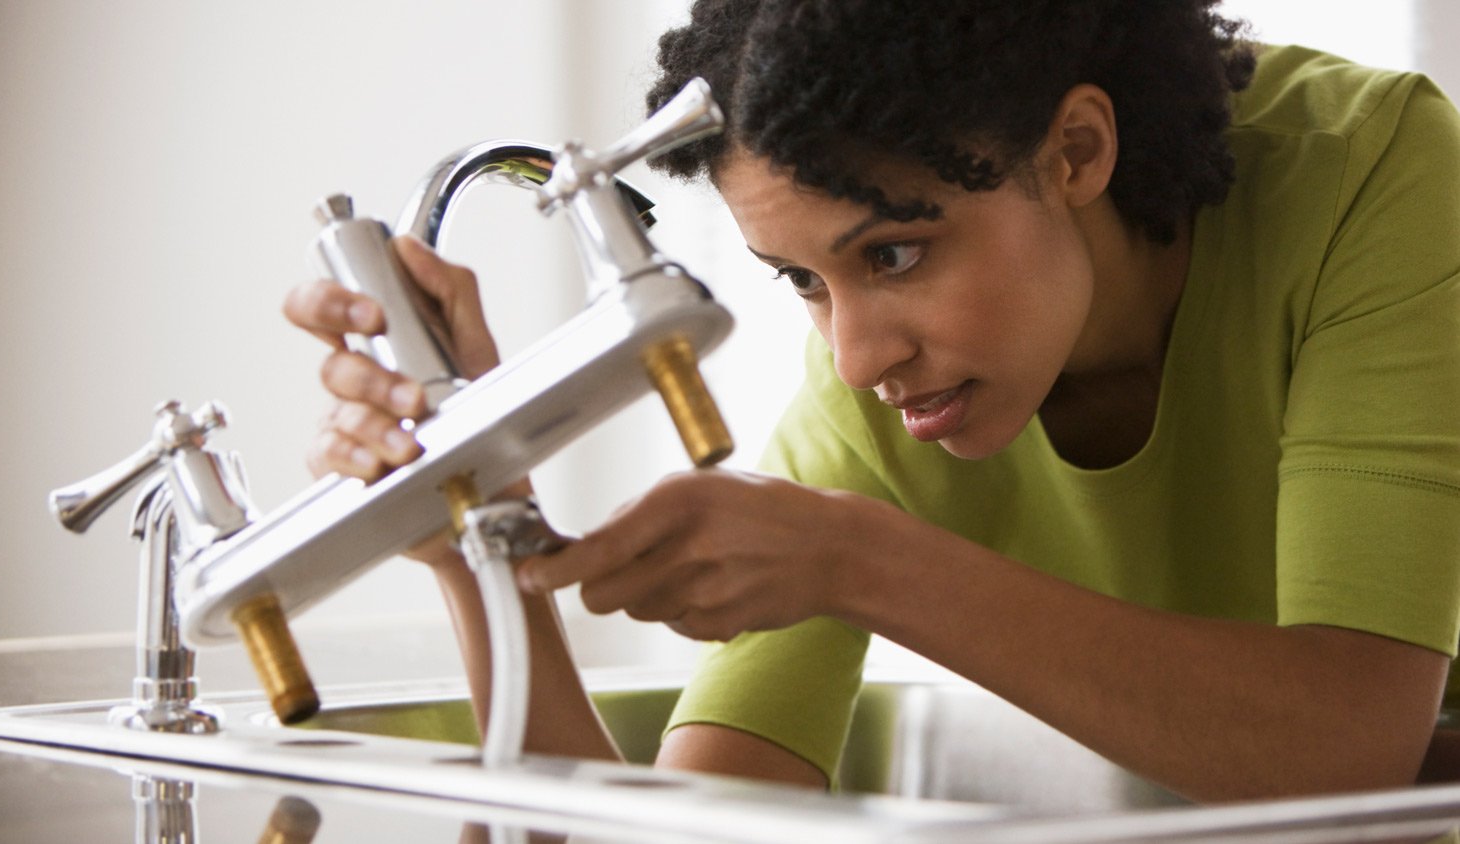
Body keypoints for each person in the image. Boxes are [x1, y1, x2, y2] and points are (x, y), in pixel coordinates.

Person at [282, 0, 1460, 802]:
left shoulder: (1374, 175)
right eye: (802, 280)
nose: (853, 358)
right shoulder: (889, 405)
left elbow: (1348, 743)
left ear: (1078, 149)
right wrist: (475, 534)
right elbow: (696, 827)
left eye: (893, 254)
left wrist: (865, 561)